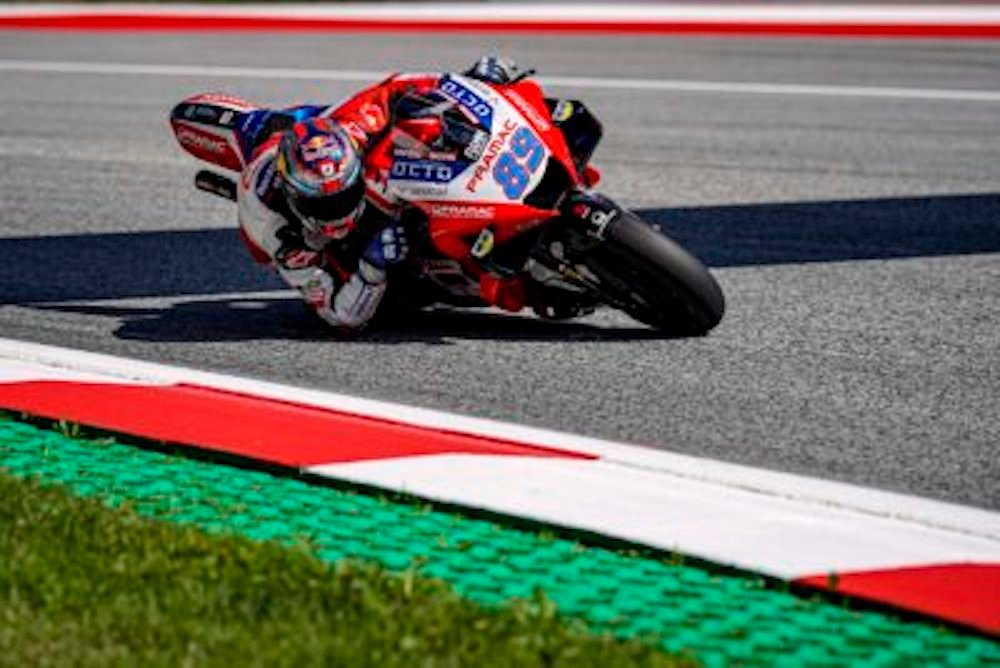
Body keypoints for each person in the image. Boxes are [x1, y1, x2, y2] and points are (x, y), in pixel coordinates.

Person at [237, 55, 531, 331]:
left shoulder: (353, 129)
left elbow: (399, 85)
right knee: (394, 303)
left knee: (416, 128)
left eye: (344, 197)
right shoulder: (280, 236)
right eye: (326, 206)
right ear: (296, 198)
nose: (338, 211)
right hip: (319, 244)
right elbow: (340, 316)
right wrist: (373, 263)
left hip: (317, 137)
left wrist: (472, 83)